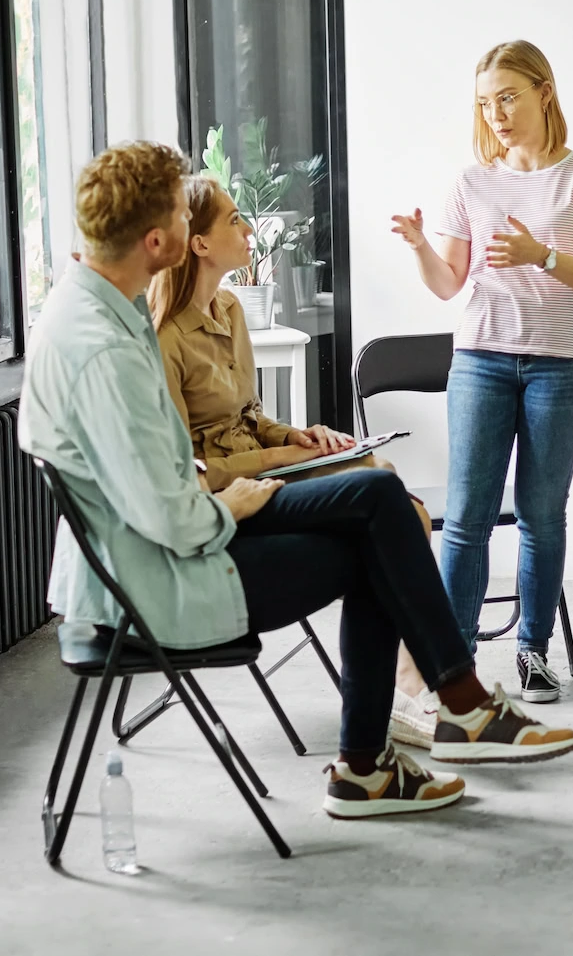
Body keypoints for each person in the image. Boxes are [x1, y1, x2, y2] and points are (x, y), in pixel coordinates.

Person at [20, 142, 573, 823]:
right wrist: (231, 499)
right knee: (380, 526)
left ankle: (423, 729)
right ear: (161, 239)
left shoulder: (104, 307)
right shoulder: (106, 348)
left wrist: (259, 464)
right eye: (181, 204)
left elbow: (159, 470)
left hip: (164, 542)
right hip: (156, 580)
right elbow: (173, 519)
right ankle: (410, 737)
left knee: (380, 505)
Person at [148, 175, 439, 750]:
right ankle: (414, 686)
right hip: (234, 490)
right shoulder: (164, 338)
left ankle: (411, 686)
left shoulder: (231, 309)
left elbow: (250, 413)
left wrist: (302, 435)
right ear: (200, 243)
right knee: (392, 500)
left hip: (268, 462)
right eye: (234, 220)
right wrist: (287, 453)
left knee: (387, 483)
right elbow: (192, 466)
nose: (248, 228)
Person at [390, 40, 573, 703]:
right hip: (481, 359)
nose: (496, 114)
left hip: (565, 366)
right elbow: (448, 284)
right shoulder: (471, 182)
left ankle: (534, 652)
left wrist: (539, 254)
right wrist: (417, 247)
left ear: (543, 91)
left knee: (540, 514)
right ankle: (453, 662)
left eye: (508, 97)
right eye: (485, 103)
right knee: (464, 516)